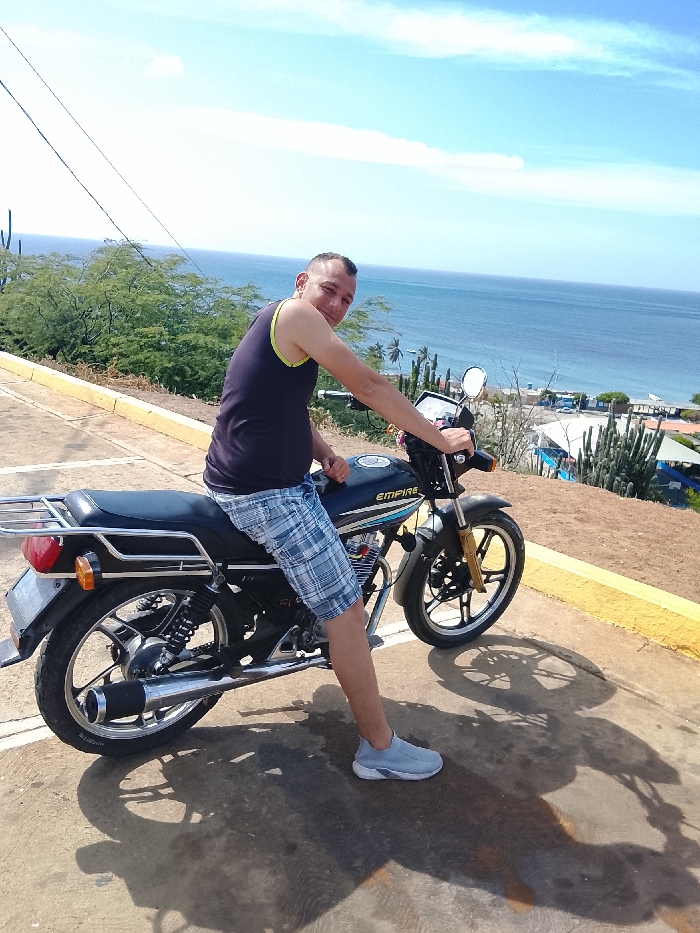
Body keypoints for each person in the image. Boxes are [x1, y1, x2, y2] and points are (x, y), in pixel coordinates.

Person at [204, 253, 474, 780]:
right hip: (266, 494)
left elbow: (280, 404)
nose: (336, 305)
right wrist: (440, 439)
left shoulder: (277, 321)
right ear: (302, 282)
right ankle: (378, 750)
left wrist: (324, 452)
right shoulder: (297, 315)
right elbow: (369, 387)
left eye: (347, 299)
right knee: (347, 613)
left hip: (248, 478)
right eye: (329, 290)